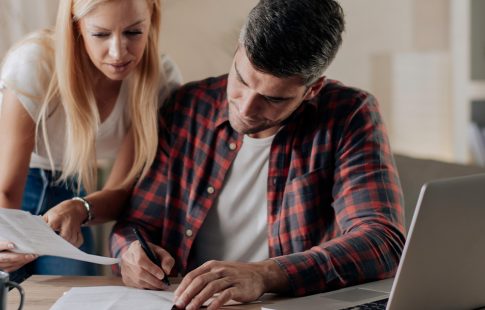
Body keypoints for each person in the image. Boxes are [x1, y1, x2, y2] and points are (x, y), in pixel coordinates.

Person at [111, 0, 405, 308]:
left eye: (273, 98)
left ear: (313, 89)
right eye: (241, 79)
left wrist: (265, 274)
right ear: (238, 50)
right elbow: (137, 223)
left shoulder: (349, 115)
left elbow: (383, 242)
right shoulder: (187, 107)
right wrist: (130, 252)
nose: (246, 108)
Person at [0, 0, 181, 275]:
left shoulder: (159, 81)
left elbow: (121, 191)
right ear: (77, 27)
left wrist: (81, 207)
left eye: (133, 33)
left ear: (152, 22)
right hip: (14, 187)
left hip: (76, 188)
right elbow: (7, 189)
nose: (118, 52)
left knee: (72, 289)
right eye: (101, 34)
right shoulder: (34, 64)